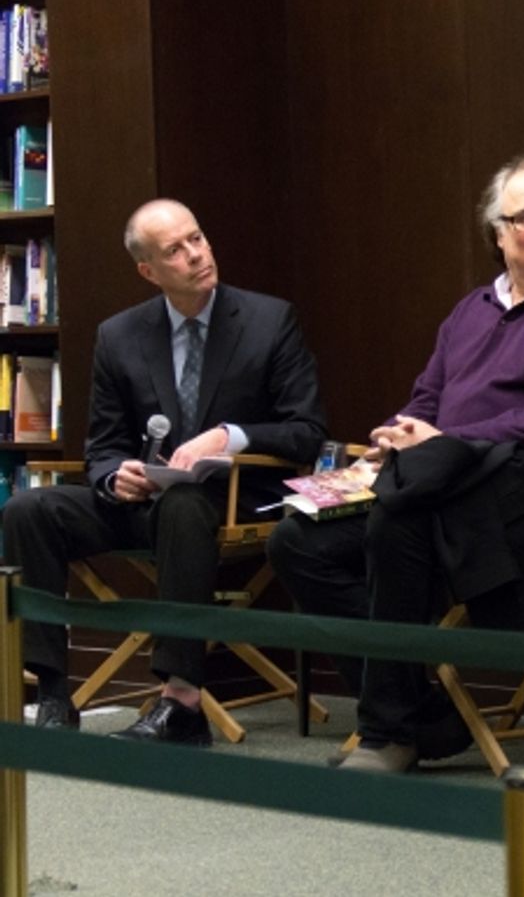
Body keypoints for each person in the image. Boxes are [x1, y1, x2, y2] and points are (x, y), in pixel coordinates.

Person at [267, 155, 524, 772]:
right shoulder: (471, 308)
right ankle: (426, 714)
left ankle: (390, 733)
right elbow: (427, 398)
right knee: (298, 540)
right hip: (440, 480)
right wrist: (398, 434)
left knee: (400, 519)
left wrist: (443, 438)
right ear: (498, 233)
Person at [3, 199, 327, 745]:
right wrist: (113, 477)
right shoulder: (119, 335)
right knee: (28, 509)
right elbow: (102, 447)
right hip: (144, 503)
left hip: (229, 500)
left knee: (182, 506)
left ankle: (182, 701)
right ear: (148, 271)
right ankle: (54, 692)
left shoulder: (270, 321)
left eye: (197, 238)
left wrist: (231, 435)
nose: (196, 255)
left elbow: (306, 431)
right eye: (175, 251)